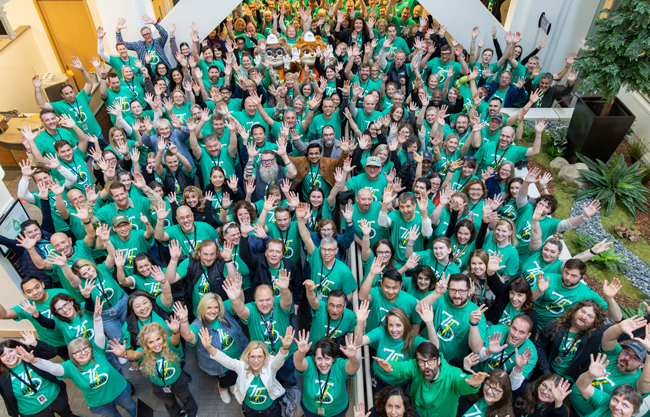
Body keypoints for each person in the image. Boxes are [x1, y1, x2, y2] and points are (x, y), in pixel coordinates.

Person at [18, 297, 138, 417]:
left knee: (130, 403)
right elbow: (53, 368)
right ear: (72, 354)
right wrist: (34, 360)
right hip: (100, 404)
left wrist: (96, 317)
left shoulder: (96, 351)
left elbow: (99, 335)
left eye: (85, 349)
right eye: (59, 309)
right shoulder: (71, 366)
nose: (82, 353)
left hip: (116, 384)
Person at [199, 325, 295, 417]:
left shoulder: (270, 365)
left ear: (265, 357)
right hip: (249, 410)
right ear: (247, 356)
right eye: (252, 356)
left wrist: (285, 347)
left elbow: (279, 359)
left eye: (260, 356)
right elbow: (225, 359)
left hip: (271, 410)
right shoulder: (241, 366)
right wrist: (209, 347)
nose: (256, 360)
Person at [373, 341, 489, 417]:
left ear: (438, 360)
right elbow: (404, 367)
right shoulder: (417, 366)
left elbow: (461, 382)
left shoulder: (451, 374)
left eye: (430, 361)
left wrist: (473, 384)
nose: (426, 365)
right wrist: (391, 367)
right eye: (422, 361)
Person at [108, 321, 198, 417]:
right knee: (169, 403)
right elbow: (134, 354)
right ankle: (177, 414)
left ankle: (192, 412)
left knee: (186, 397)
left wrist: (175, 331)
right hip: (159, 387)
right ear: (146, 344)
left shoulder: (169, 343)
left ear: (163, 337)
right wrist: (123, 354)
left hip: (178, 381)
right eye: (151, 342)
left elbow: (175, 340)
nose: (156, 344)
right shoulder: (144, 351)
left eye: (158, 339)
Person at [222, 271, 297, 386]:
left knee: (287, 376)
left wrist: (285, 290)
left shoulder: (279, 304)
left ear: (273, 298)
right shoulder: (251, 308)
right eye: (260, 300)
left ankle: (289, 389)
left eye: (268, 300)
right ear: (255, 300)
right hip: (263, 359)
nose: (265, 304)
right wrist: (235, 299)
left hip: (285, 355)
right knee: (268, 381)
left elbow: (287, 302)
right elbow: (241, 311)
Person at [569, 316, 648, 417]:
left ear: (642, 365)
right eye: (626, 351)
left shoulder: (635, 383)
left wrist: (649, 353)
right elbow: (607, 337)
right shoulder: (616, 354)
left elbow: (646, 382)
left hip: (583, 414)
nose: (627, 358)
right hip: (567, 396)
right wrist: (619, 327)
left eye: (635, 358)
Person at [177, 295, 248, 404]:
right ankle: (223, 388)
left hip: (238, 355)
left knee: (236, 373)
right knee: (227, 379)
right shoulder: (198, 325)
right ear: (202, 308)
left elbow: (239, 304)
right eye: (208, 308)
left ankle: (231, 384)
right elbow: (189, 337)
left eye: (215, 307)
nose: (213, 311)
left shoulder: (224, 310)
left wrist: (238, 294)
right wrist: (184, 320)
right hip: (219, 366)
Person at [356, 303, 436, 392]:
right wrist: (359, 323)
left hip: (398, 384)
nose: (394, 330)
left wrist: (430, 324)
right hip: (377, 377)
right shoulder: (382, 331)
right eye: (391, 325)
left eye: (398, 325)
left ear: (405, 325)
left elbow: (434, 347)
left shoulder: (413, 339)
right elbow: (360, 342)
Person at [0, 330, 74, 417]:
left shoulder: (31, 355)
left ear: (18, 349)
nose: (8, 356)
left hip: (56, 398)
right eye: (3, 355)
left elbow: (53, 352)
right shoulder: (1, 376)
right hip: (33, 412)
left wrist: (35, 343)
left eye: (10, 351)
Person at [534, 259, 622, 331]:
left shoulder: (586, 293)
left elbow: (616, 317)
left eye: (573, 276)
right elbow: (529, 298)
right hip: (533, 316)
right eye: (566, 273)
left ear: (581, 277)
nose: (568, 278)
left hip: (550, 329)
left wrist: (609, 298)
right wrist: (539, 291)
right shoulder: (548, 278)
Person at [535, 300, 610, 383]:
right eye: (582, 311)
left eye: (590, 317)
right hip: (547, 371)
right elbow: (541, 346)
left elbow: (617, 327)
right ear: (575, 310)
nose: (584, 317)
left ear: (595, 322)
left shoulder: (594, 338)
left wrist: (610, 299)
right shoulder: (555, 326)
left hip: (570, 382)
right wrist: (546, 371)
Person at [32, 57, 104, 143]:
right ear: (62, 95)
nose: (70, 95)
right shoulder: (60, 105)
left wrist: (82, 69)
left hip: (97, 134)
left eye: (71, 92)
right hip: (81, 140)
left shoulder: (81, 97)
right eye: (66, 94)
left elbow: (90, 83)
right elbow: (41, 105)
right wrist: (37, 88)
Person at [416, 273, 487, 360]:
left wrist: (473, 324)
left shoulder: (476, 312)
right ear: (448, 289)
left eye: (461, 291)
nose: (457, 295)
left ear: (469, 292)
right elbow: (418, 309)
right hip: (426, 353)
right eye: (453, 290)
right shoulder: (441, 295)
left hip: (450, 363)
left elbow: (476, 349)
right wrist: (437, 293)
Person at [293, 332, 361, 417]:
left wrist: (353, 357)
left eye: (327, 358)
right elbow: (298, 364)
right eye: (319, 358)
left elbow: (355, 367)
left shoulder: (339, 365)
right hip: (311, 410)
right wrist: (300, 352)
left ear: (333, 359)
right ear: (314, 359)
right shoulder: (310, 364)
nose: (323, 364)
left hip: (337, 412)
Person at [0, 277, 71, 358]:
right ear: (25, 294)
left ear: (43, 285)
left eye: (37, 287)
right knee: (72, 364)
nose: (35, 292)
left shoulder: (60, 293)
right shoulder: (26, 306)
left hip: (73, 334)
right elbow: (3, 314)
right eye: (29, 291)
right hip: (55, 343)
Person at [471, 314, 537, 390]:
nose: (515, 335)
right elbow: (474, 359)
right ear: (510, 326)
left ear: (528, 335)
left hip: (500, 389)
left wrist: (518, 368)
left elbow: (512, 387)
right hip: (477, 377)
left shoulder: (530, 352)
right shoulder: (495, 331)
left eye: (521, 332)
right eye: (514, 328)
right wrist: (488, 352)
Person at [574, 353, 644, 417]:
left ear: (634, 413)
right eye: (616, 400)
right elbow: (583, 387)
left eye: (625, 405)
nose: (617, 406)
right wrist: (590, 375)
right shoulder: (607, 402)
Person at [359, 263, 422, 333]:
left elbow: (416, 322)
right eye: (387, 287)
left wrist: (411, 342)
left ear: (401, 286)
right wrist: (371, 274)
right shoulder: (376, 292)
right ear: (382, 284)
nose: (390, 292)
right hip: (373, 340)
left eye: (395, 288)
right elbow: (362, 297)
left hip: (398, 342)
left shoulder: (411, 301)